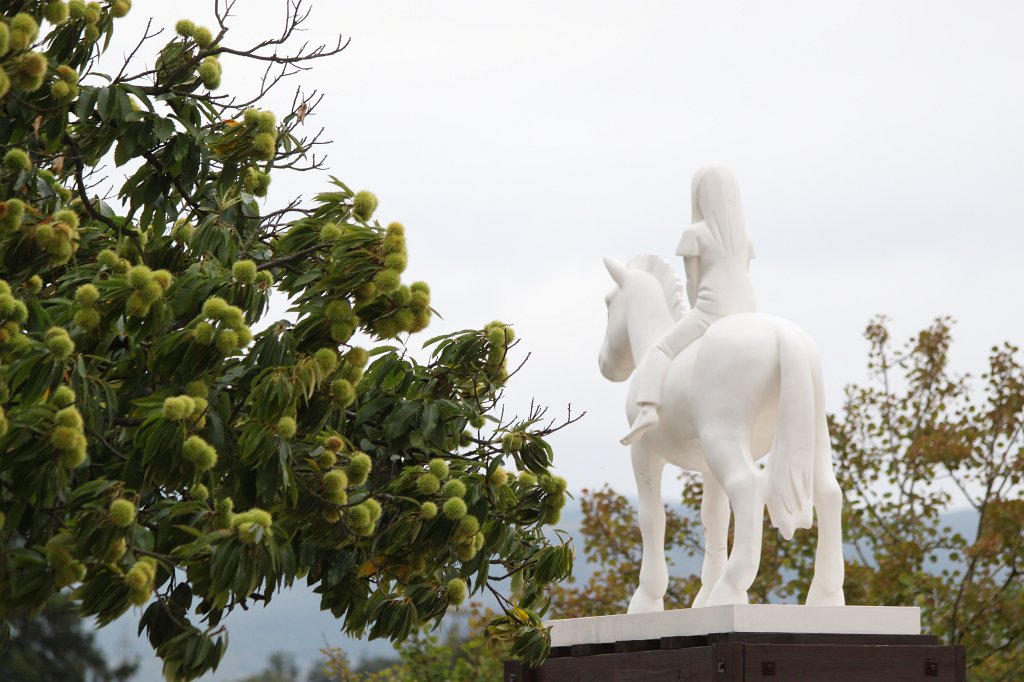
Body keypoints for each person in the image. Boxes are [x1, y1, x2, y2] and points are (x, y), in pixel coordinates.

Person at [621, 165, 757, 445]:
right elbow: (743, 271)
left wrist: (696, 310)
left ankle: (647, 408)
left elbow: (693, 283)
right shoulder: (743, 235)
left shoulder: (695, 233)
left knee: (660, 348)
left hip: (712, 310)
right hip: (747, 310)